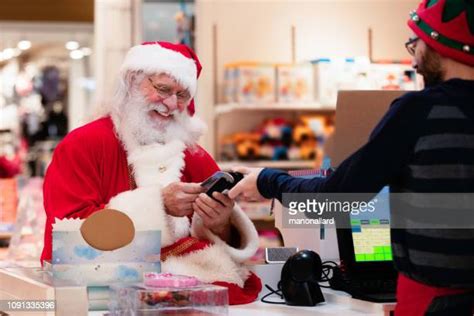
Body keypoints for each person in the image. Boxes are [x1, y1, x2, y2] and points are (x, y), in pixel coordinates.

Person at [229, 0, 474, 314]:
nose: (414, 62)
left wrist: (267, 181)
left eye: (416, 45)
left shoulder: (420, 111)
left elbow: (336, 200)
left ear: (438, 43)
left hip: (436, 300)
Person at [41, 41, 261, 304]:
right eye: (162, 89)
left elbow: (221, 244)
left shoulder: (194, 155)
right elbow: (68, 233)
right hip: (99, 294)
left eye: (182, 95)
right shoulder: (82, 144)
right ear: (132, 83)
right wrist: (158, 204)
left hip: (182, 295)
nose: (170, 103)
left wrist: (220, 223)